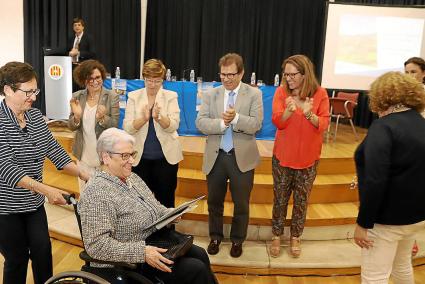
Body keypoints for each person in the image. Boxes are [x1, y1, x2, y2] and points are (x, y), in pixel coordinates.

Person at [78, 128, 216, 284]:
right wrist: (142, 252)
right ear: (106, 157)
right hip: (126, 263)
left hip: (152, 243)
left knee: (200, 254)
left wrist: (171, 214)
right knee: (196, 269)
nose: (131, 160)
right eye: (125, 156)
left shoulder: (132, 178)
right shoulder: (97, 193)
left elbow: (155, 207)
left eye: (132, 154)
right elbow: (97, 246)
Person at [0, 61, 88, 284]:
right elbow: (7, 169)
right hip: (5, 207)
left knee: (42, 252)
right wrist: (46, 189)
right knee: (16, 258)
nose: (34, 97)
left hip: (32, 203)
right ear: (8, 90)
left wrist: (84, 173)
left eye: (35, 90)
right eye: (27, 92)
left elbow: (54, 150)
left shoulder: (36, 117)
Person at [353, 72, 425, 283]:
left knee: (374, 276)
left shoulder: (383, 126)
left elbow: (376, 179)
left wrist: (363, 223)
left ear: (381, 95)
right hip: (416, 215)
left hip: (387, 219)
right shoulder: (421, 123)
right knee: (402, 266)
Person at [195, 53, 263, 258]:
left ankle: (237, 240)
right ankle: (215, 236)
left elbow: (256, 125)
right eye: (223, 74)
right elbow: (200, 123)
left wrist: (236, 119)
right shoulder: (211, 94)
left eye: (231, 74)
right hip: (216, 158)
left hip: (241, 158)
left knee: (241, 204)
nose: (226, 78)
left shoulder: (253, 94)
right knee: (214, 202)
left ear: (241, 73)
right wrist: (221, 124)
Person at [269, 54, 329, 258]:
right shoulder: (280, 92)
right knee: (280, 199)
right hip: (283, 157)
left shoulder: (320, 94)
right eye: (286, 74)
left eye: (293, 74)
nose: (289, 79)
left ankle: (296, 236)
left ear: (305, 74)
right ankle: (276, 235)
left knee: (301, 201)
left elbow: (323, 124)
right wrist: (288, 111)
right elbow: (278, 122)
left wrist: (308, 113)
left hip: (308, 159)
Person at [123, 59, 182, 208]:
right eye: (149, 80)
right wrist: (143, 119)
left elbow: (174, 125)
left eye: (157, 81)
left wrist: (159, 118)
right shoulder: (133, 97)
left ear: (163, 79)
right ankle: (145, 232)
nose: (153, 85)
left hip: (165, 159)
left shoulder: (171, 96)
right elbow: (128, 128)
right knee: (141, 203)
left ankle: (167, 232)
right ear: (144, 78)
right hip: (140, 159)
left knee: (166, 200)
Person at [68, 59, 119, 191]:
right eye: (90, 78)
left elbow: (115, 125)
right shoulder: (77, 96)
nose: (95, 81)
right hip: (83, 156)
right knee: (85, 194)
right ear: (83, 80)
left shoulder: (111, 96)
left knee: (104, 195)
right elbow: (71, 126)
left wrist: (103, 118)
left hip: (104, 157)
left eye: (98, 77)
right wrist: (77, 117)